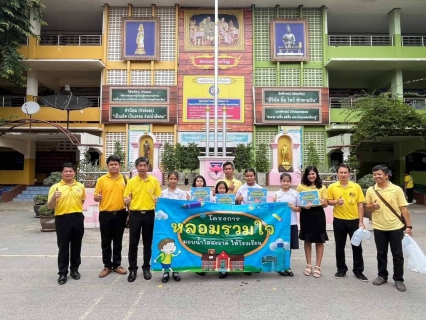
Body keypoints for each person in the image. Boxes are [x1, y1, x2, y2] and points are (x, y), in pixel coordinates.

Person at [365, 165, 412, 292]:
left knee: (397, 254)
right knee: (381, 253)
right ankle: (382, 275)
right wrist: (372, 206)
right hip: (379, 226)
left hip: (395, 226)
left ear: (386, 175)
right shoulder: (371, 190)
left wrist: (408, 226)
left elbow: (404, 208)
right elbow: (367, 207)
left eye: (379, 174)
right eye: (374, 174)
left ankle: (399, 279)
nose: (377, 176)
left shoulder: (396, 189)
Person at [327, 164, 368, 282]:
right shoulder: (332, 187)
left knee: (357, 245)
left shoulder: (356, 187)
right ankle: (341, 269)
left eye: (345, 172)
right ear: (337, 174)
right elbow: (328, 201)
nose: (343, 175)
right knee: (340, 246)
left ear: (349, 174)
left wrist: (361, 221)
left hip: (354, 221)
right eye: (341, 172)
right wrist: (336, 202)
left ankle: (358, 270)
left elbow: (361, 204)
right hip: (339, 220)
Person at [124, 156, 161, 282]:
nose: (142, 168)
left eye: (145, 165)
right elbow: (126, 198)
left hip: (150, 214)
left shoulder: (154, 181)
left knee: (147, 242)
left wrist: (157, 200)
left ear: (148, 166)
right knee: (133, 243)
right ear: (136, 167)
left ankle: (146, 268)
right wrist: (126, 200)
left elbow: (159, 198)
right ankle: (132, 269)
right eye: (140, 166)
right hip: (135, 214)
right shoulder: (131, 182)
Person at [47, 163, 86, 285]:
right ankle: (62, 273)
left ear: (74, 173)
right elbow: (50, 206)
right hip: (62, 218)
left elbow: (82, 200)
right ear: (62, 173)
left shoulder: (80, 186)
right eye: (66, 171)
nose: (68, 173)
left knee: (76, 245)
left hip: (77, 217)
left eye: (70, 171)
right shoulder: (55, 187)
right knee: (63, 246)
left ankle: (74, 270)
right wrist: (54, 197)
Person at [94, 155, 128, 278]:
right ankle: (107, 266)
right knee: (106, 241)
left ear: (119, 165)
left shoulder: (125, 179)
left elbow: (129, 197)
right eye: (111, 164)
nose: (114, 166)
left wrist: (128, 212)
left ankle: (117, 265)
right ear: (107, 166)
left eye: (116, 164)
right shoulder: (101, 180)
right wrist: (97, 198)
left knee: (118, 241)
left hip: (121, 213)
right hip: (105, 214)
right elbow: (95, 196)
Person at [296, 166, 328, 278]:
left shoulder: (322, 187)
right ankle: (308, 265)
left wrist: (324, 202)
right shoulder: (301, 186)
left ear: (317, 175)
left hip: (318, 214)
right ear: (306, 175)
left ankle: (318, 266)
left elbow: (326, 204)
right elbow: (298, 202)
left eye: (313, 174)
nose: (311, 176)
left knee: (319, 241)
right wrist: (304, 206)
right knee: (307, 240)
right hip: (306, 214)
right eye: (309, 174)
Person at [273, 173, 301, 277]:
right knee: (280, 246)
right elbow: (274, 211)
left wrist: (294, 207)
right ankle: (280, 267)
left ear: (290, 182)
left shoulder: (295, 194)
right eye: (284, 181)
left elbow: (300, 208)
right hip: (280, 225)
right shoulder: (277, 194)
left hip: (292, 223)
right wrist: (274, 202)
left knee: (289, 246)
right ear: (280, 182)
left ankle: (287, 266)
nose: (286, 183)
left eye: (288, 181)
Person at [212, 181, 229, 279]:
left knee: (225, 248)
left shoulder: (231, 199)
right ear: (216, 189)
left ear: (226, 189)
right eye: (220, 188)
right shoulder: (212, 199)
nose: (222, 190)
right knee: (215, 247)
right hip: (215, 227)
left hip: (227, 227)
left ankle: (223, 270)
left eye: (223, 188)